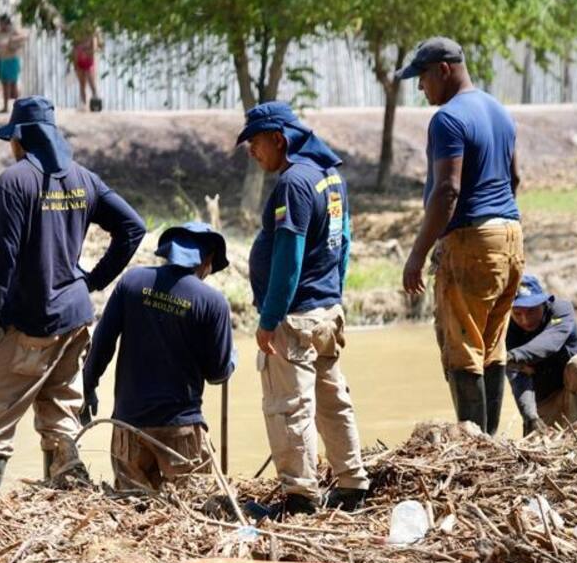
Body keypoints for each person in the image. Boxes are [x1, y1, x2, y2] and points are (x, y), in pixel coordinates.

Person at [0, 96, 146, 494]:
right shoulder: (84, 179)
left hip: (30, 323)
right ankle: (67, 501)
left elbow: (2, 258)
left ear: (21, 139)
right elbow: (133, 227)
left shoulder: (15, 181)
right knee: (61, 416)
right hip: (75, 321)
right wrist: (91, 282)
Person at [240, 101, 370, 516]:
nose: (251, 151)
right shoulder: (330, 177)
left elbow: (289, 258)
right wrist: (334, 295)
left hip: (295, 317)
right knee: (331, 398)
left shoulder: (294, 183)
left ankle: (301, 497)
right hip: (325, 311)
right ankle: (352, 482)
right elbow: (344, 241)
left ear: (279, 139)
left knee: (290, 406)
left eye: (255, 142)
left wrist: (269, 318)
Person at [397, 37, 522, 435]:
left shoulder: (448, 119)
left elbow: (447, 190)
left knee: (463, 348)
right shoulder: (499, 111)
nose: (420, 88)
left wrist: (417, 254)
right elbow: (515, 178)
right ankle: (492, 441)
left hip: (472, 241)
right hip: (511, 236)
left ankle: (476, 447)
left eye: (422, 78)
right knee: (493, 343)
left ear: (443, 70)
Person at [82, 222, 235, 492]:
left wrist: (89, 385)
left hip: (128, 426)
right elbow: (218, 374)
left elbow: (101, 343)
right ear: (208, 260)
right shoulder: (213, 302)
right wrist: (230, 359)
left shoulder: (132, 282)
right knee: (193, 507)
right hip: (181, 430)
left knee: (131, 508)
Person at [505, 274, 577, 434]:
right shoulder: (510, 331)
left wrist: (513, 356)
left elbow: (550, 341)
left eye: (531, 311)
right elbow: (519, 378)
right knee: (537, 440)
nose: (525, 320)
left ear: (544, 302)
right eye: (518, 313)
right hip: (546, 400)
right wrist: (530, 416)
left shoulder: (561, 310)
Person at [0, 15, 28, 112]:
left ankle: (17, 108)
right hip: (2, 60)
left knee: (13, 85)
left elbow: (25, 36)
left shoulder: (13, 31)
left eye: (2, 23)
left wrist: (12, 40)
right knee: (4, 84)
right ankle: (5, 107)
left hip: (12, 59)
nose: (1, 25)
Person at [71, 27, 102, 109]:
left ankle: (95, 104)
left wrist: (84, 50)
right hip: (79, 61)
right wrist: (75, 64)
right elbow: (74, 50)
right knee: (82, 84)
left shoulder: (92, 37)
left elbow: (94, 51)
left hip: (89, 63)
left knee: (92, 84)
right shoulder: (77, 37)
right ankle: (83, 104)